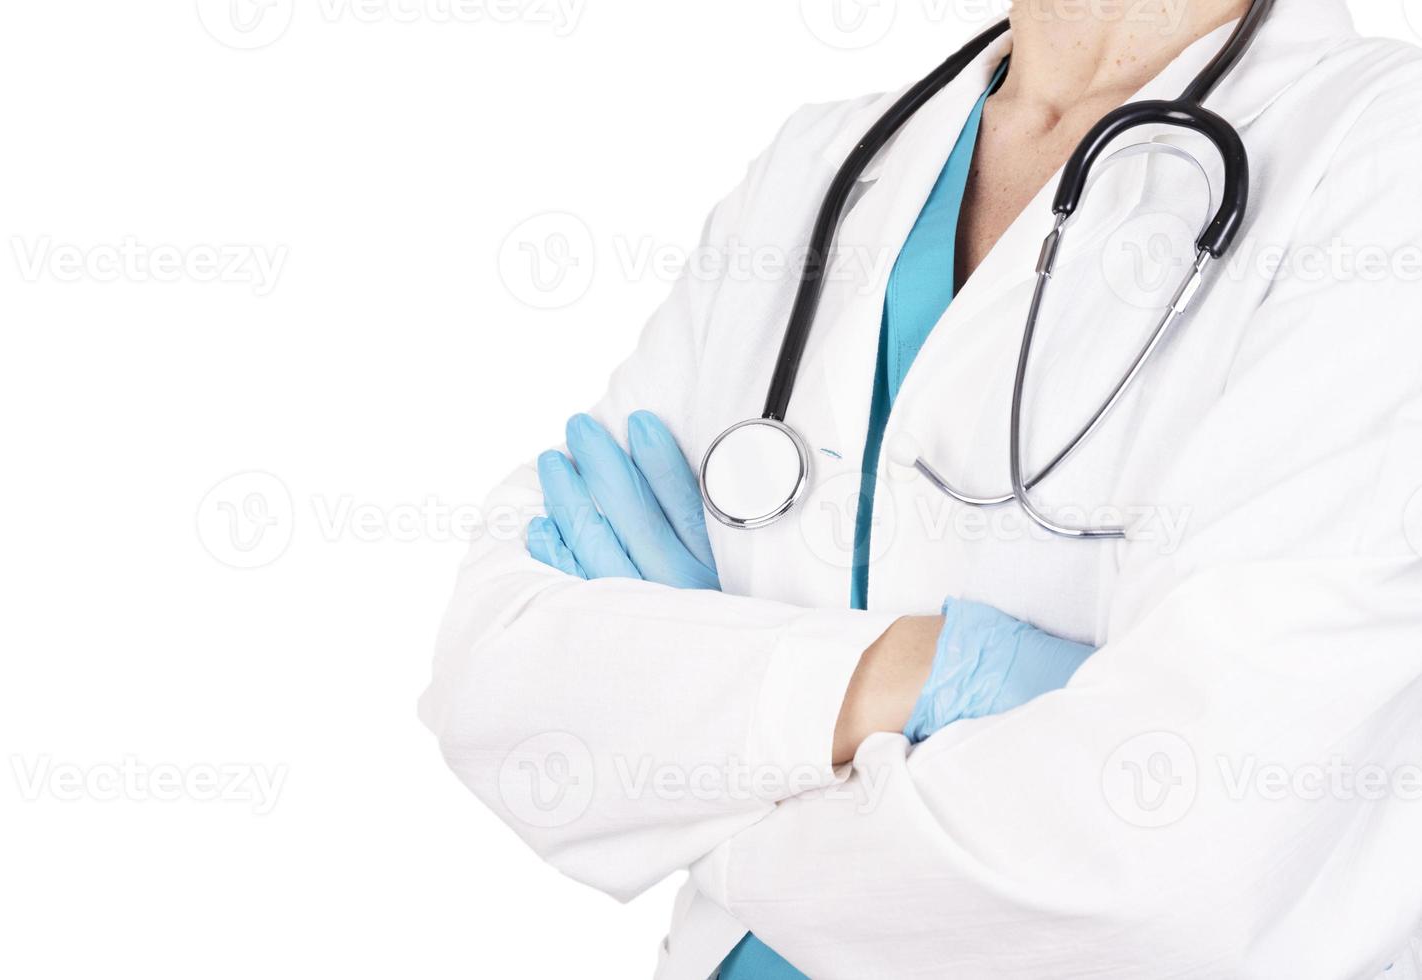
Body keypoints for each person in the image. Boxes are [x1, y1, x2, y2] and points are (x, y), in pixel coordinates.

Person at [418, 0, 1422, 976]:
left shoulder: (1376, 157)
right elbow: (494, 672)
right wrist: (922, 666)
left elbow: (1178, 857)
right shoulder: (820, 168)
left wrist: (699, 777)